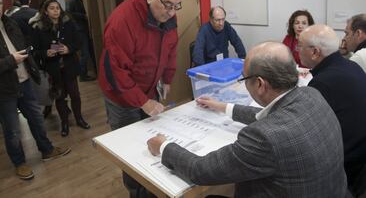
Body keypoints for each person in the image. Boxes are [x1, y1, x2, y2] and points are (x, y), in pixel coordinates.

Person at [147, 41, 348, 198]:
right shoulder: (311, 94)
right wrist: (222, 106)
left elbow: (201, 170)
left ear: (260, 84)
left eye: (244, 79)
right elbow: (272, 116)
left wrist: (164, 146)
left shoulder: (264, 137)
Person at [0, 0, 71, 180]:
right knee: (12, 129)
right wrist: (10, 61)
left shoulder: (9, 22)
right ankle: (19, 162)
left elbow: (23, 46)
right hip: (2, 89)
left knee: (36, 119)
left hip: (25, 81)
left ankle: (46, 150)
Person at [98, 0, 187, 198]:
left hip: (149, 87)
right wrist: (142, 102)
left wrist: (167, 77)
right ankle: (137, 193)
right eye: (167, 4)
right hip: (121, 95)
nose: (171, 12)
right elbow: (117, 73)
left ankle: (155, 185)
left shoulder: (168, 15)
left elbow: (171, 48)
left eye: (177, 6)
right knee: (131, 150)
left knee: (153, 140)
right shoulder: (122, 20)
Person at [299, 24, 366, 196]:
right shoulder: (350, 65)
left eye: (300, 46)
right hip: (360, 154)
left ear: (315, 52)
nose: (297, 49)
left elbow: (304, 130)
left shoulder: (323, 82)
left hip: (345, 165)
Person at [32, 0, 90, 137]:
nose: (55, 10)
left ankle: (79, 118)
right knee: (60, 97)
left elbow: (78, 42)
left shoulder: (68, 23)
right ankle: (64, 123)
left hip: (69, 65)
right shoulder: (39, 27)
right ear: (45, 11)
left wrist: (69, 48)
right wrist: (45, 53)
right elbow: (35, 50)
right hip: (53, 69)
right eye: (51, 8)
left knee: (75, 95)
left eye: (57, 8)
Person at [66, 0, 97, 81]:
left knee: (86, 53)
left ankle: (83, 74)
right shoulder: (73, 1)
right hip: (80, 30)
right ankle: (82, 75)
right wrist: (83, 16)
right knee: (85, 53)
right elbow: (69, 12)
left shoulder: (75, 1)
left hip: (82, 29)